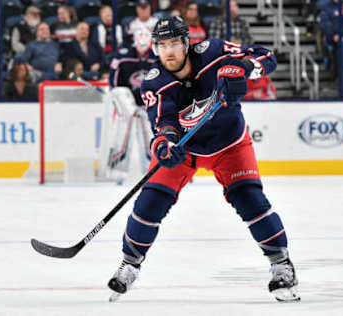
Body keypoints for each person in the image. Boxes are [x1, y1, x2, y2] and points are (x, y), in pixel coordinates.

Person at [107, 16, 300, 303]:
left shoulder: (214, 51)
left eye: (174, 43)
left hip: (228, 143)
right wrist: (165, 145)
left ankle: (282, 265)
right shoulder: (154, 82)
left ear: (187, 43)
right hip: (186, 151)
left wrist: (245, 68)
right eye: (162, 45)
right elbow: (162, 123)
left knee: (249, 199)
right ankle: (129, 264)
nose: (168, 51)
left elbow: (266, 56)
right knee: (150, 202)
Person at [105, 27, 157, 184]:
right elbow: (114, 80)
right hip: (125, 97)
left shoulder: (157, 58)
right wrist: (115, 92)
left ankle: (151, 169)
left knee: (149, 129)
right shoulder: (122, 55)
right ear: (134, 42)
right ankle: (117, 170)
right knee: (126, 119)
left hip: (146, 101)